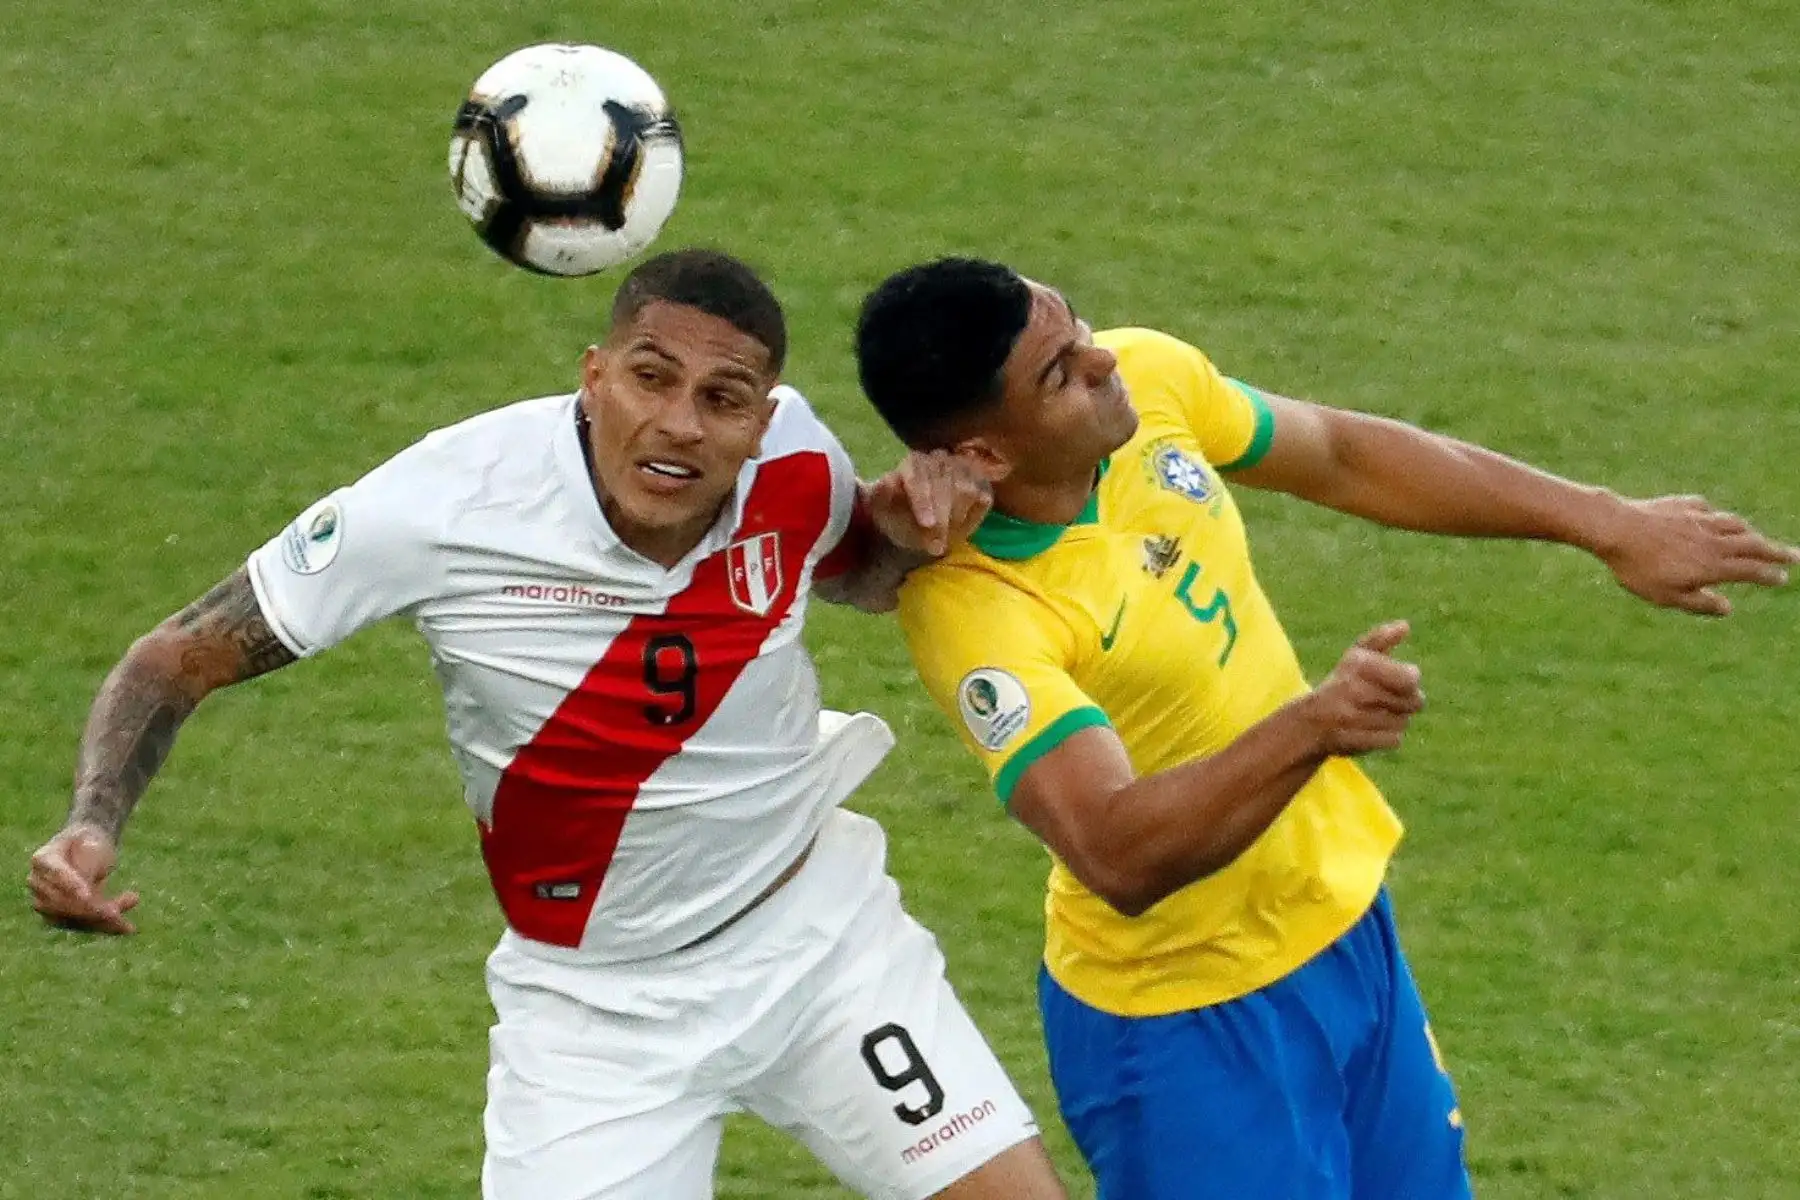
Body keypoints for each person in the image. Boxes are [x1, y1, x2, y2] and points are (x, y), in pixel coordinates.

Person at [28, 249, 1072, 1200]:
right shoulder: (444, 502)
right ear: (593, 374)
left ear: (762, 418)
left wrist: (907, 524)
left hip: (822, 946)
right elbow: (178, 655)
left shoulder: (794, 457)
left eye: (724, 399)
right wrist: (93, 820)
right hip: (594, 1017)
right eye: (650, 378)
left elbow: (856, 571)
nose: (680, 425)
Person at [852, 257, 1798, 1199]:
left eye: (1080, 333)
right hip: (1183, 1022)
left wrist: (1603, 522)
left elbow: (1340, 452)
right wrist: (1312, 727)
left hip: (1339, 925)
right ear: (984, 455)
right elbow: (1115, 849)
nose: (1103, 366)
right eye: (1059, 375)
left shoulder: (1151, 382)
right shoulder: (977, 606)